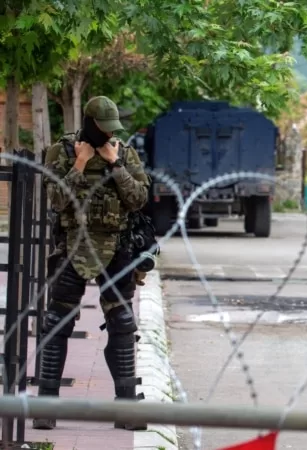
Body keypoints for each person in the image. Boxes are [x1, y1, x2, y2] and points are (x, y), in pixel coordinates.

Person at [35, 96, 151, 431]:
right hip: (73, 246)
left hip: (116, 247)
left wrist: (115, 165)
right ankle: (46, 405)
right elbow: (56, 201)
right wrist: (80, 164)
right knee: (57, 321)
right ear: (89, 123)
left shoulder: (124, 152)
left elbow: (138, 199)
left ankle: (127, 407)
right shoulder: (63, 151)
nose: (109, 134)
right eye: (104, 128)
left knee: (122, 323)